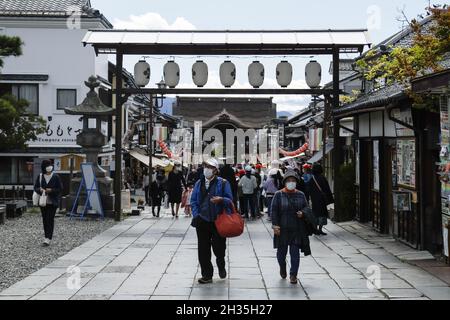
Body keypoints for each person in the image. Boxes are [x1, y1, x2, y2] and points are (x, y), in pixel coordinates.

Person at [190, 158, 233, 284]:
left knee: (219, 248)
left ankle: (221, 264)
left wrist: (221, 200)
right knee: (203, 249)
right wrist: (196, 215)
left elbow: (230, 200)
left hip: (218, 220)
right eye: (205, 166)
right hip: (202, 220)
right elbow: (193, 201)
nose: (207, 169)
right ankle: (207, 274)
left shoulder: (224, 183)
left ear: (215, 170)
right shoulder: (199, 183)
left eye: (210, 167)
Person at [271, 171, 312, 284]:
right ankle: (282, 267)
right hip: (282, 228)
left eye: (293, 181)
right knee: (281, 254)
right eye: (288, 181)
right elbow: (273, 211)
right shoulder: (278, 195)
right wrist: (275, 226)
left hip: (296, 228)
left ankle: (293, 275)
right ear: (284, 182)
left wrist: (303, 213)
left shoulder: (301, 194)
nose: (291, 183)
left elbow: (307, 208)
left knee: (295, 253)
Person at [33, 160, 63, 246]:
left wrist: (52, 190)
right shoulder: (40, 176)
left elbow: (60, 188)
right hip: (43, 202)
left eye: (50, 165)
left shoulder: (56, 176)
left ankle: (48, 238)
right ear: (44, 167)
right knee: (45, 219)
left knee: (50, 219)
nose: (49, 167)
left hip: (52, 202)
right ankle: (46, 236)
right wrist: (40, 190)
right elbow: (36, 187)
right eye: (47, 165)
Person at [307, 163, 334, 236]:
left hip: (314, 200)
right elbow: (327, 189)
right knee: (322, 214)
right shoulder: (322, 178)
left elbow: (308, 190)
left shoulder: (311, 179)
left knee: (315, 214)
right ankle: (320, 229)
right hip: (322, 200)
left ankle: (315, 229)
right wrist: (330, 199)